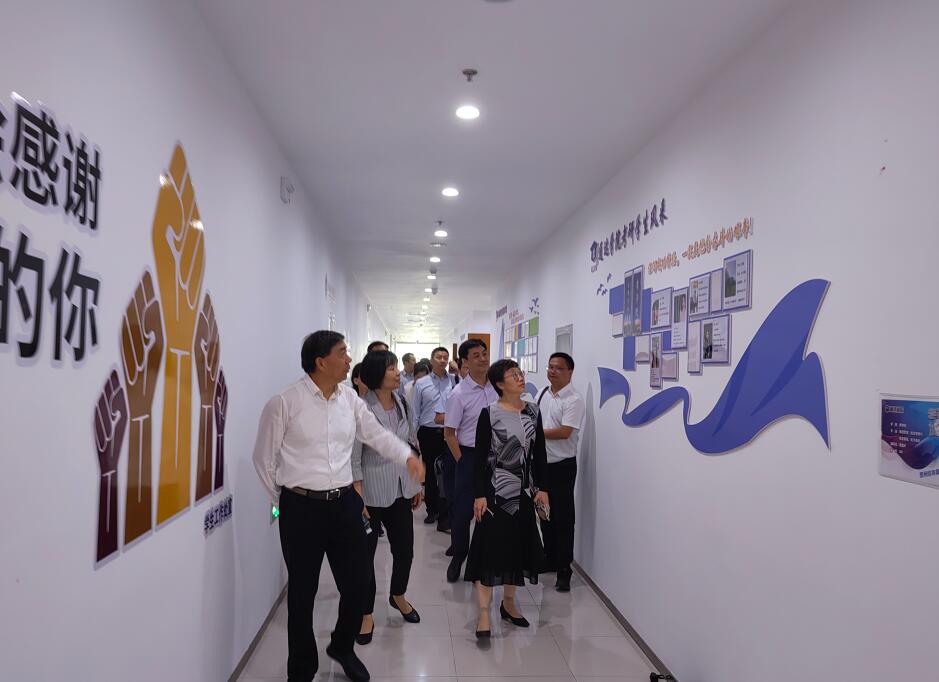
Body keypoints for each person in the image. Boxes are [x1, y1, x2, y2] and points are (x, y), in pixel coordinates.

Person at [252, 331, 425, 682]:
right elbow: (263, 461)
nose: (349, 360)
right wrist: (286, 501)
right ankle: (302, 668)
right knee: (303, 593)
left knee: (358, 583)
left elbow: (376, 435)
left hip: (345, 503)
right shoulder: (285, 403)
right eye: (343, 353)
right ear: (320, 362)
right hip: (301, 508)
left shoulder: (350, 400)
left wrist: (406, 456)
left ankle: (342, 647)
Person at [464, 359, 548, 638]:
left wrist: (542, 488)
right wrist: (479, 494)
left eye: (520, 373)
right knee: (489, 553)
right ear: (500, 384)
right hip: (495, 493)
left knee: (516, 549)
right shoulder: (490, 413)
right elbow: (479, 459)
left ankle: (509, 604)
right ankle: (484, 614)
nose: (520, 377)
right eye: (513, 375)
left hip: (522, 493)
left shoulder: (533, 411)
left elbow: (539, 454)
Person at [351, 351, 424, 645]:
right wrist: (358, 497)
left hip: (401, 489)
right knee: (364, 558)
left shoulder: (402, 402)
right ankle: (365, 612)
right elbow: (354, 457)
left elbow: (412, 442)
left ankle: (398, 595)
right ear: (376, 374)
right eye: (391, 368)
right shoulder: (361, 408)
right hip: (370, 493)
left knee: (405, 550)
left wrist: (417, 485)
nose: (397, 373)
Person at [443, 339, 498, 582]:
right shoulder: (458, 394)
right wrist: (462, 462)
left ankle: (485, 560)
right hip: (469, 455)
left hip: (495, 457)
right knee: (463, 512)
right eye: (476, 355)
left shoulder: (497, 387)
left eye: (484, 353)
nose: (483, 359)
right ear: (465, 361)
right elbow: (449, 434)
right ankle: (458, 556)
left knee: (492, 510)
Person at [537, 352, 586, 592]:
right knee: (544, 513)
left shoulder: (574, 400)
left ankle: (564, 569)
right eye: (550, 367)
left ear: (570, 372)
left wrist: (536, 433)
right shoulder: (543, 393)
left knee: (563, 519)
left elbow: (565, 432)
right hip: (541, 464)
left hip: (562, 466)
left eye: (558, 368)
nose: (552, 371)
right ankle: (550, 558)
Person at [412, 347, 456, 531]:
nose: (442, 360)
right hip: (428, 432)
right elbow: (415, 411)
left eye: (445, 357)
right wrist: (414, 437)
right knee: (430, 472)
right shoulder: (421, 383)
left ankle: (445, 513)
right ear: (432, 360)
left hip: (449, 432)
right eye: (439, 357)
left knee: (446, 473)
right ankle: (432, 510)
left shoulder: (454, 381)